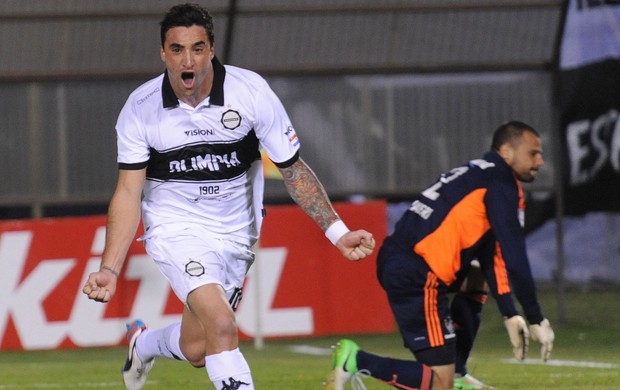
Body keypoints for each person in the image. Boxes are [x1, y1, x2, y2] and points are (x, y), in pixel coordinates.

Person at [81, 3, 376, 390]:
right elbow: (128, 191)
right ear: (163, 53)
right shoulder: (140, 108)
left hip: (238, 233)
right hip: (177, 228)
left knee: (199, 349)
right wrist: (110, 268)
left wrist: (338, 232)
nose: (188, 60)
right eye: (177, 49)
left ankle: (145, 343)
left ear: (212, 49)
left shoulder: (250, 92)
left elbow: (293, 169)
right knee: (222, 325)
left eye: (198, 48)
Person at [324, 121, 555, 390]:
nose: (540, 161)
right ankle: (355, 359)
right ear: (506, 151)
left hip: (404, 259)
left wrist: (509, 312)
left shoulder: (477, 172)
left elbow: (491, 253)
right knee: (439, 385)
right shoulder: (501, 184)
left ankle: (457, 372)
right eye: (533, 153)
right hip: (419, 274)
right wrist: (535, 316)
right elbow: (514, 258)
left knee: (476, 275)